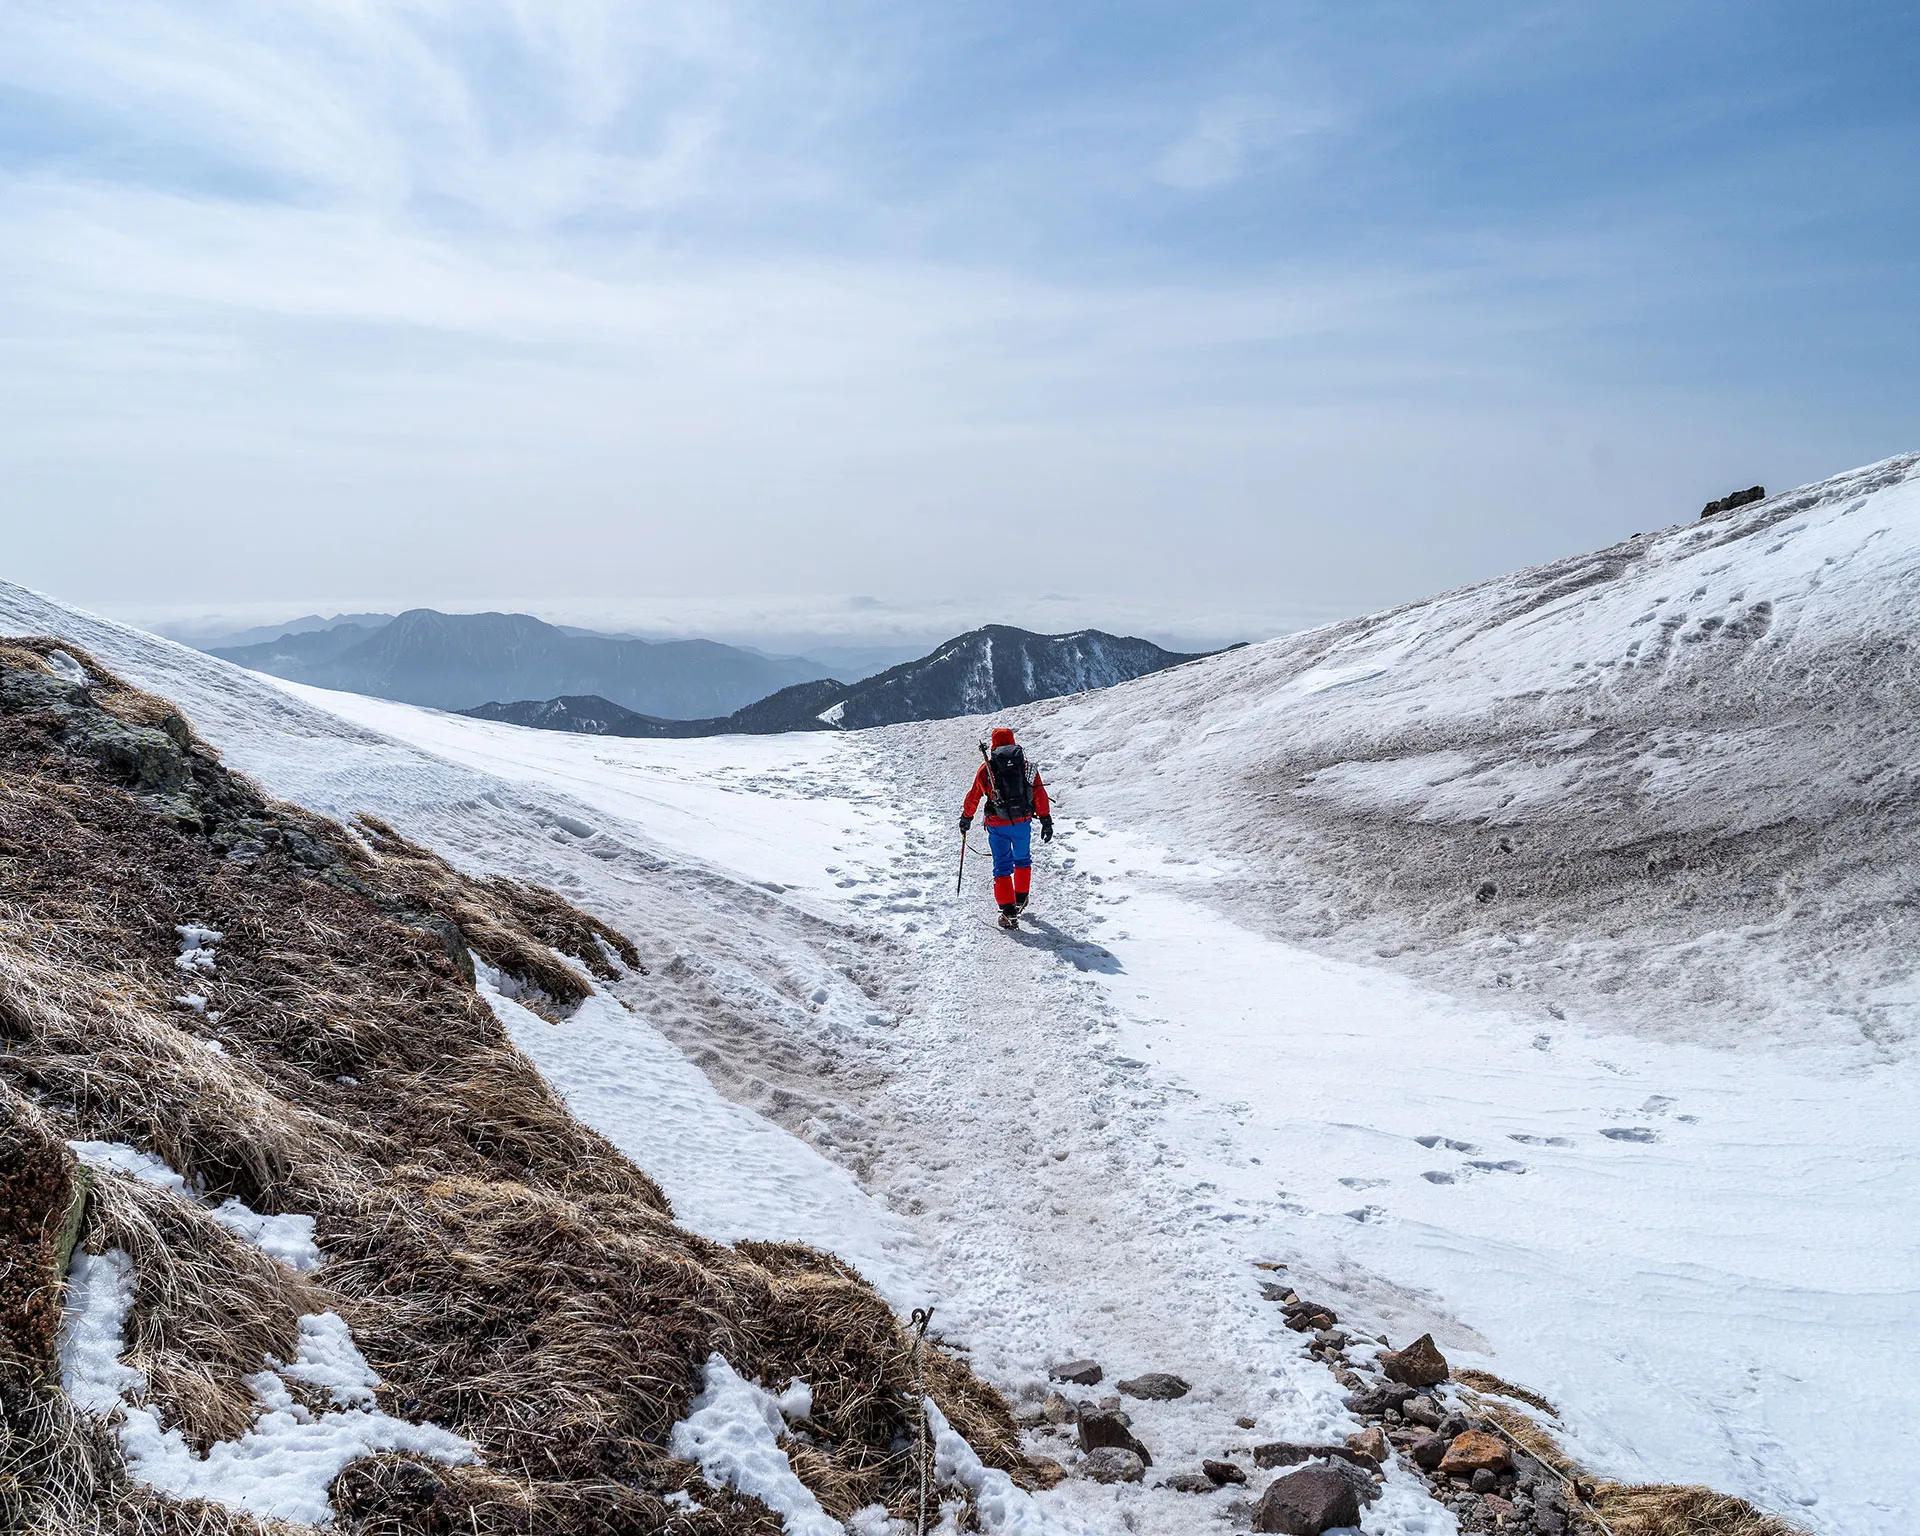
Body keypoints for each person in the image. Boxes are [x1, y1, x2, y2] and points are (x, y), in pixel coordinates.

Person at [959, 726, 1053, 928]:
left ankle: (1009, 913)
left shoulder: (987, 769)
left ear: (993, 744)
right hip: (1022, 823)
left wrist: (966, 818)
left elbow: (974, 795)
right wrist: (1046, 819)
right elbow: (1039, 793)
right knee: (1023, 860)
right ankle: (1020, 899)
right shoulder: (1026, 767)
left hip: (997, 825)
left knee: (1001, 866)